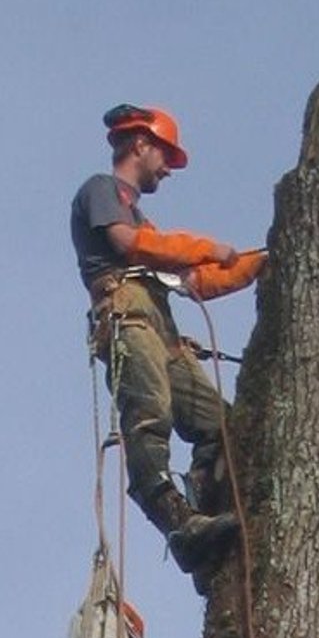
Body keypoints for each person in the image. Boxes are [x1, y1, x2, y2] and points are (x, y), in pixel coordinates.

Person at [71, 104, 266, 586]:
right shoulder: (103, 192)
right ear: (140, 144)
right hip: (127, 316)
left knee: (220, 424)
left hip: (161, 328)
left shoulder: (147, 225)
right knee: (149, 415)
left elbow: (195, 282)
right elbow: (128, 244)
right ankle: (179, 524)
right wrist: (204, 245)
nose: (167, 169)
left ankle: (208, 513)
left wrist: (260, 261)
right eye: (165, 155)